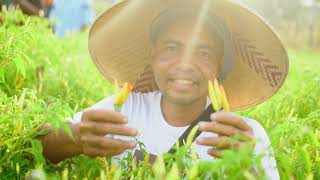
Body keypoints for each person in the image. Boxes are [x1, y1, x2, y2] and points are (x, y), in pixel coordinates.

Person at [40, 0, 289, 179]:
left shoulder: (243, 136)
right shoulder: (122, 110)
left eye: (203, 52)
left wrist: (250, 166)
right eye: (171, 48)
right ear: (153, 55)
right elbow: (41, 146)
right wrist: (74, 138)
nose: (185, 64)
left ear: (218, 64)